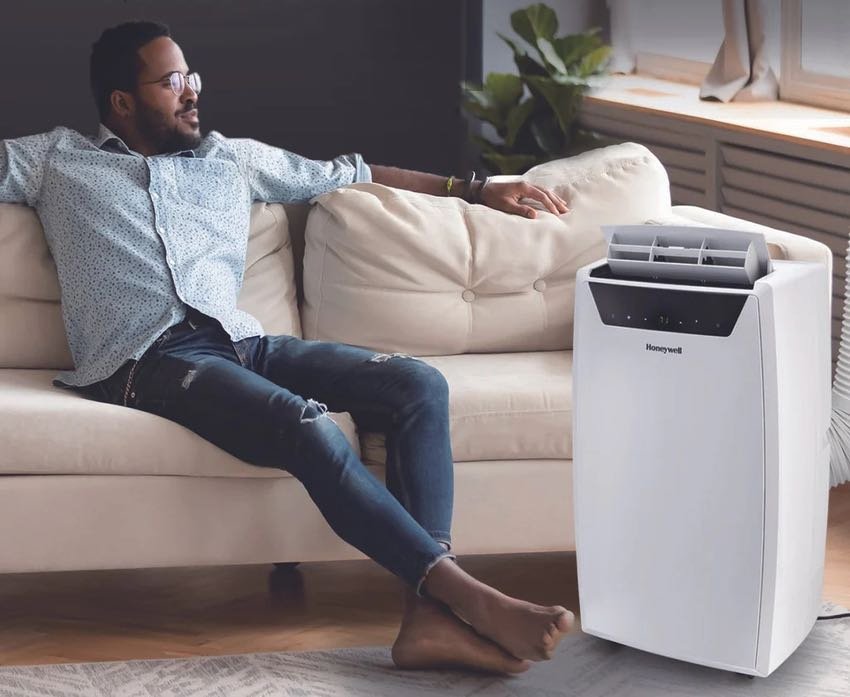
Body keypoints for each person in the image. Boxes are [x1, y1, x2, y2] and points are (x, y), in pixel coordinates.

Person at [0, 21, 574, 675]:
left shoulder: (230, 159)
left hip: (245, 345)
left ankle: (428, 620)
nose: (192, 92)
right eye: (170, 81)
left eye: (191, 77)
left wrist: (474, 188)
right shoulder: (55, 161)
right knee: (304, 422)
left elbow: (348, 173)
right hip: (147, 360)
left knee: (418, 383)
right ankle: (468, 597)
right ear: (121, 102)